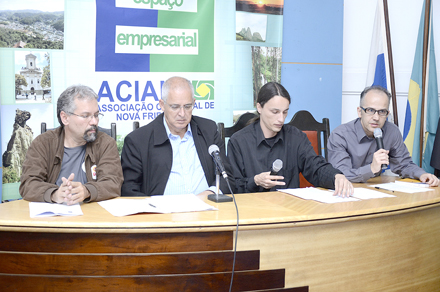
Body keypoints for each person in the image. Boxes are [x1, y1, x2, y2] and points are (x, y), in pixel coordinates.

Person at [227, 82, 353, 197]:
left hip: (290, 211)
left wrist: (335, 176)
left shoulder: (296, 138)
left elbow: (315, 166)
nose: (281, 119)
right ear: (259, 107)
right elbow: (232, 186)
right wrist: (254, 181)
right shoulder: (238, 141)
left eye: (285, 112)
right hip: (253, 212)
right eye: (275, 112)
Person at [121, 76, 233, 196]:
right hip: (161, 212)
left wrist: (210, 193)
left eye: (187, 106)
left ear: (194, 103)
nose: (182, 114)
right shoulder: (138, 140)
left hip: (208, 208)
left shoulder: (208, 130)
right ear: (162, 105)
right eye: (175, 107)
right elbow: (129, 190)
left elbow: (228, 177)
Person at [20, 85, 124, 205]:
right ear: (65, 118)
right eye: (86, 116)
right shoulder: (43, 143)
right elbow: (28, 183)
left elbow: (113, 183)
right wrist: (54, 194)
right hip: (52, 219)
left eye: (96, 115)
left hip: (93, 217)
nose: (94, 121)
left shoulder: (106, 143)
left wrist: (87, 191)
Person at [327, 85, 439, 186]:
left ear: (387, 114)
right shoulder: (340, 135)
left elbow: (403, 164)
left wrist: (422, 175)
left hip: (376, 190)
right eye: (370, 110)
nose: (376, 117)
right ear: (360, 112)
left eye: (382, 112)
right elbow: (340, 175)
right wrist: (371, 168)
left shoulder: (392, 131)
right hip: (346, 192)